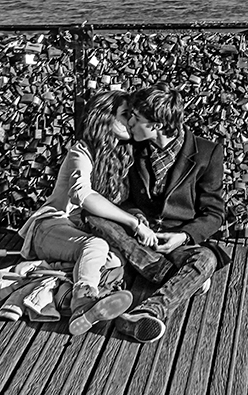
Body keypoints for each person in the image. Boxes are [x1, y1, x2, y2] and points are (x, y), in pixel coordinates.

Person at [18, 90, 171, 336]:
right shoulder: (82, 150)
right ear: (104, 117)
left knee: (115, 262)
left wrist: (139, 217)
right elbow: (83, 195)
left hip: (83, 235)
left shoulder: (123, 155)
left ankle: (94, 309)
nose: (130, 122)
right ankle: (83, 301)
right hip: (52, 227)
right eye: (124, 115)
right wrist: (133, 223)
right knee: (96, 246)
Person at [82, 87, 228, 344]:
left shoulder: (208, 153)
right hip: (137, 238)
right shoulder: (132, 149)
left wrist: (183, 236)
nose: (129, 122)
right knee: (96, 218)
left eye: (136, 118)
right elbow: (122, 199)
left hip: (176, 243)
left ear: (157, 125)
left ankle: (148, 312)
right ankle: (181, 279)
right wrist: (138, 220)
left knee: (206, 258)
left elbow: (214, 213)